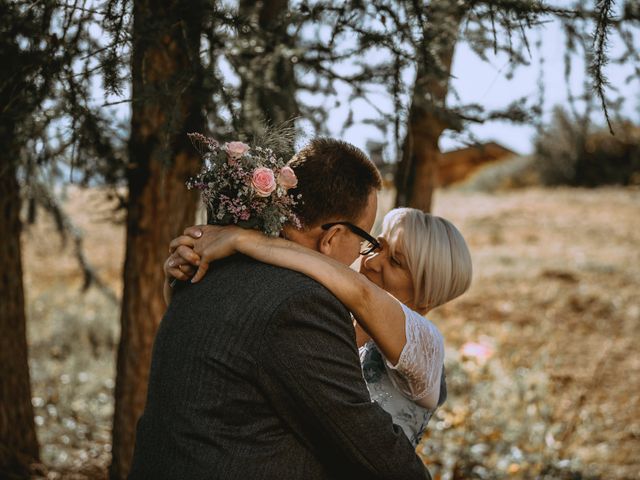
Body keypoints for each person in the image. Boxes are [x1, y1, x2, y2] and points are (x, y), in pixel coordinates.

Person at [129, 138, 432, 479]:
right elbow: (363, 441)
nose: (362, 256)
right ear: (331, 237)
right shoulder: (301, 303)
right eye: (363, 239)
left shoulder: (206, 264)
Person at [168, 208, 473, 446]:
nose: (372, 262)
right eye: (377, 246)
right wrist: (188, 272)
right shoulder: (333, 315)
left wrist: (242, 240)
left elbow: (362, 293)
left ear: (427, 294)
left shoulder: (428, 347)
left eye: (395, 261)